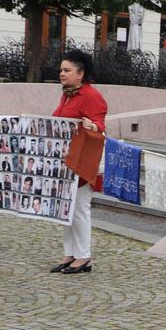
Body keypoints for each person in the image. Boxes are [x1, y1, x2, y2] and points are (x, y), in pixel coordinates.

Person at [49, 50, 107, 275]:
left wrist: (93, 126)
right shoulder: (68, 94)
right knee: (67, 207)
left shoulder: (91, 95)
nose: (62, 74)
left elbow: (99, 124)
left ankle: (83, 257)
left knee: (80, 209)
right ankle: (70, 253)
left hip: (84, 159)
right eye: (61, 70)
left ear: (80, 74)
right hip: (68, 158)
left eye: (67, 70)